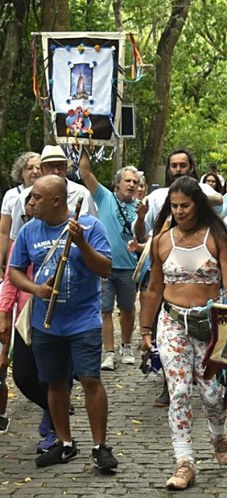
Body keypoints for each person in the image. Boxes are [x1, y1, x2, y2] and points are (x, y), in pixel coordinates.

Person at [8, 175, 118, 471]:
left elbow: (105, 269)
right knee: (54, 382)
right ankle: (65, 443)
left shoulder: (90, 227)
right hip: (47, 323)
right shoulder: (29, 231)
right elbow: (14, 271)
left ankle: (100, 446)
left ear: (56, 200)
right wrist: (35, 289)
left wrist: (81, 242)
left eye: (35, 198)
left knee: (90, 379)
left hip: (84, 319)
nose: (30, 203)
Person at [139, 176, 227, 490]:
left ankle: (218, 434)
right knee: (179, 392)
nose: (180, 211)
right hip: (172, 323)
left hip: (209, 324)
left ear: (198, 205)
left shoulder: (217, 235)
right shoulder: (161, 240)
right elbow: (154, 289)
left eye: (185, 205)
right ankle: (185, 462)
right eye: (174, 206)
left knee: (211, 394)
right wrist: (145, 328)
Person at [0, 195, 59, 449]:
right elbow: (11, 277)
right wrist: (4, 313)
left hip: (58, 316)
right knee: (23, 376)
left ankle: (57, 430)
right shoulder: (24, 235)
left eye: (37, 199)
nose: (33, 205)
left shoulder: (69, 231)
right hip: (27, 316)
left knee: (51, 377)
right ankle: (54, 408)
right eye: (30, 201)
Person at [77, 153, 141, 370]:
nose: (131, 185)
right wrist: (86, 143)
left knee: (127, 309)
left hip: (129, 268)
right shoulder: (104, 197)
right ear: (118, 183)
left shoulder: (141, 207)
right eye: (128, 180)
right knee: (104, 310)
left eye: (135, 182)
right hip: (104, 265)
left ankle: (126, 346)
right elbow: (84, 172)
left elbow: (145, 237)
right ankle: (109, 352)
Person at [9, 145, 96, 241]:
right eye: (50, 166)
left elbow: (94, 231)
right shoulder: (25, 197)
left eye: (60, 166)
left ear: (66, 168)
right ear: (41, 169)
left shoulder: (82, 193)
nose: (56, 171)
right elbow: (16, 238)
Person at [1, 152, 41, 274]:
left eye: (38, 168)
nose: (35, 171)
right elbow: (4, 233)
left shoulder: (52, 193)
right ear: (21, 172)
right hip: (17, 252)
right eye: (29, 168)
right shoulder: (11, 195)